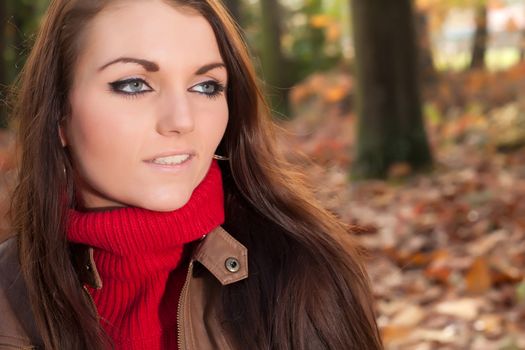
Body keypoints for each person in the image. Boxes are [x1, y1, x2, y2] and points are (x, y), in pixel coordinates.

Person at [0, 0, 383, 349]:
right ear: (58, 116)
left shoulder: (308, 272)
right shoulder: (8, 298)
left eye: (206, 86)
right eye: (134, 84)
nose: (182, 121)